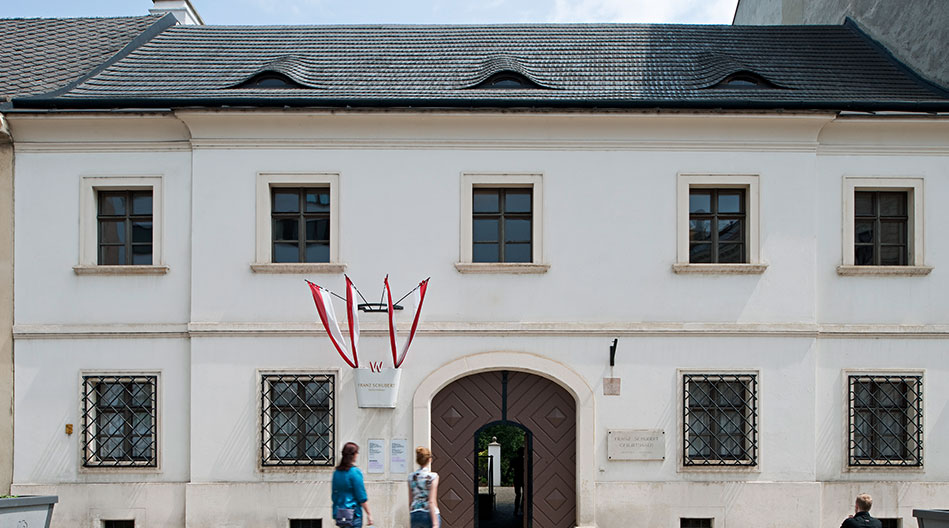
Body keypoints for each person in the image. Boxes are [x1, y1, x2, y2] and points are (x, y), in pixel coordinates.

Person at [332, 442, 373, 527]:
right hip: (353, 514)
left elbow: (334, 495)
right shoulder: (355, 472)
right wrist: (369, 514)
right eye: (357, 453)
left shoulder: (337, 473)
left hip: (341, 513)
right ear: (353, 455)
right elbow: (361, 496)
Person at [408, 446, 440, 528]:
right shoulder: (433, 476)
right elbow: (431, 501)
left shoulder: (411, 477)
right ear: (429, 460)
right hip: (428, 514)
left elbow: (411, 500)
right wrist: (435, 523)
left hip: (415, 513)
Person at [512, 445, 525, 517]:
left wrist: (506, 476)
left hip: (517, 478)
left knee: (518, 495)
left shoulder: (514, 460)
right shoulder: (525, 460)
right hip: (523, 478)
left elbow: (510, 468)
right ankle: (522, 508)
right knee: (523, 494)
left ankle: (516, 510)